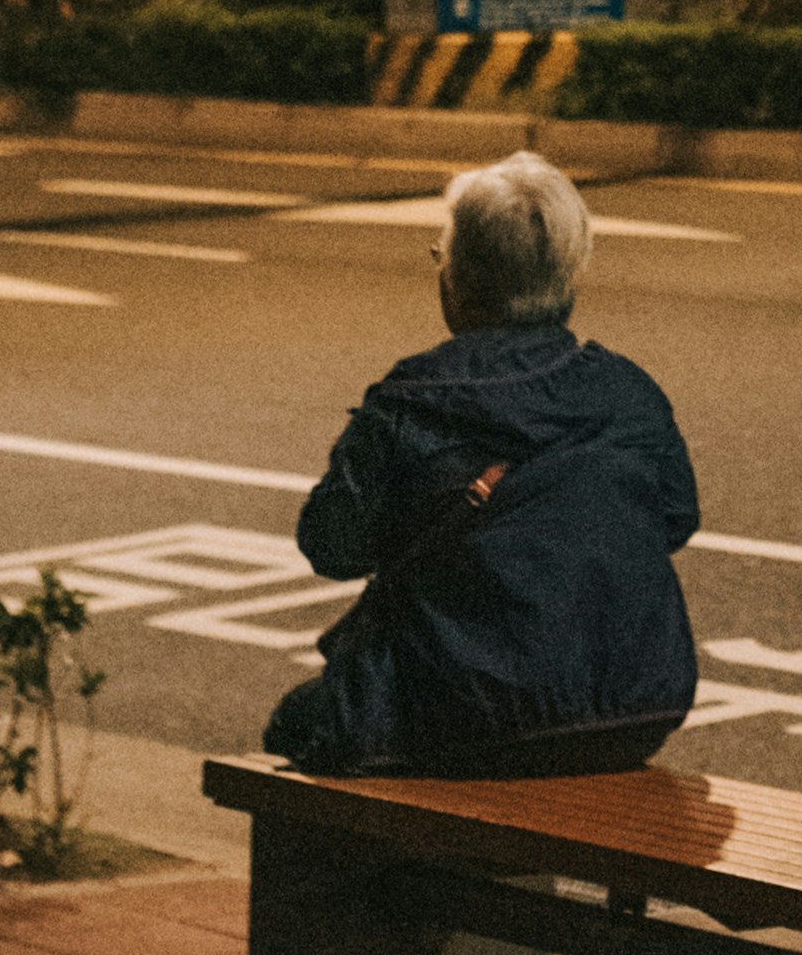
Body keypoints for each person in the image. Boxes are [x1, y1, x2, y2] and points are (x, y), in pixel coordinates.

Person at [266, 146, 698, 776]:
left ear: (461, 278)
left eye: (442, 256)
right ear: (568, 276)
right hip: (633, 707)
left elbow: (331, 546)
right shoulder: (628, 391)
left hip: (459, 710)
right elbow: (676, 520)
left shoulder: (414, 399)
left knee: (297, 727)